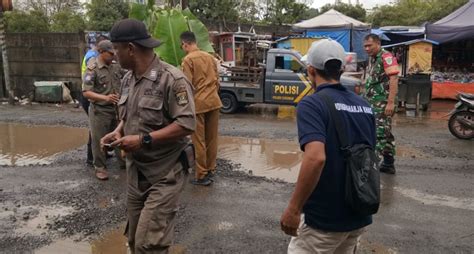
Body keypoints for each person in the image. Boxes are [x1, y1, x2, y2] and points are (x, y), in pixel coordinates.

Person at [102, 18, 196, 254]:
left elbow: (187, 123)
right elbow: (129, 114)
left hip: (166, 173)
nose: (114, 55)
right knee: (134, 241)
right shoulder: (127, 79)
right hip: (137, 172)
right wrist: (118, 131)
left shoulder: (173, 80)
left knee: (149, 244)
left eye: (117, 49)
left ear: (131, 49)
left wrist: (143, 140)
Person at [280, 39, 376, 253]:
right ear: (341, 69)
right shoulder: (364, 106)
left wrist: (294, 209)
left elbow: (316, 157)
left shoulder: (312, 104)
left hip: (324, 221)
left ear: (311, 70)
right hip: (358, 213)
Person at [180, 31, 222, 186]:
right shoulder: (210, 57)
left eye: (182, 45)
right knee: (212, 139)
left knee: (199, 141)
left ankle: (201, 174)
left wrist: (183, 106)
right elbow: (217, 80)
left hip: (198, 105)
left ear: (185, 44)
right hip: (214, 102)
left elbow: (186, 85)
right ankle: (211, 169)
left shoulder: (187, 60)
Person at [82, 40, 124, 180]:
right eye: (110, 53)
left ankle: (123, 162)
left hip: (117, 109)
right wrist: (105, 98)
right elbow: (86, 92)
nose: (113, 56)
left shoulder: (115, 66)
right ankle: (100, 167)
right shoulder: (92, 69)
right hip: (100, 110)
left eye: (114, 53)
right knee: (98, 138)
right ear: (101, 52)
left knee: (119, 135)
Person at [363, 34, 399, 174]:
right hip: (374, 102)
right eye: (365, 46)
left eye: (369, 45)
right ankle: (389, 164)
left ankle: (371, 167)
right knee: (386, 133)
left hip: (383, 103)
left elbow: (394, 79)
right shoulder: (372, 58)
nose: (367, 48)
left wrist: (390, 103)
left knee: (378, 133)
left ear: (378, 44)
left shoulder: (386, 57)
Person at [81, 34, 108, 166]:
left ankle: (103, 152)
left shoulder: (92, 53)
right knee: (96, 127)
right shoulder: (93, 58)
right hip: (92, 95)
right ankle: (92, 158)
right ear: (100, 46)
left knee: (103, 126)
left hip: (97, 94)